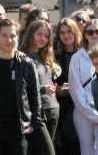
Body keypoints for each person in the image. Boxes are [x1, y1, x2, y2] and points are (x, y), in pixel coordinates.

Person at [0, 19, 42, 155]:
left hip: (19, 129)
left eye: (12, 36)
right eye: (4, 35)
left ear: (18, 37)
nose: (9, 40)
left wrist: (34, 123)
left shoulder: (26, 64)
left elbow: (35, 94)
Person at [68, 20, 98, 155]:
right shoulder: (77, 57)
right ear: (85, 35)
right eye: (90, 32)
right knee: (87, 150)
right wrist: (92, 115)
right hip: (83, 109)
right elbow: (75, 89)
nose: (94, 35)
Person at [20, 20, 60, 155]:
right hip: (37, 112)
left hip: (53, 108)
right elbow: (21, 87)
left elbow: (55, 71)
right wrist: (43, 89)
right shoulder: (22, 55)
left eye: (46, 36)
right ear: (31, 34)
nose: (42, 38)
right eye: (39, 34)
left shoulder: (46, 55)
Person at [54, 18, 82, 155]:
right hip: (64, 106)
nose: (66, 36)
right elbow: (53, 81)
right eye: (62, 33)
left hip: (82, 105)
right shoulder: (56, 55)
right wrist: (58, 90)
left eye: (69, 31)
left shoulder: (84, 53)